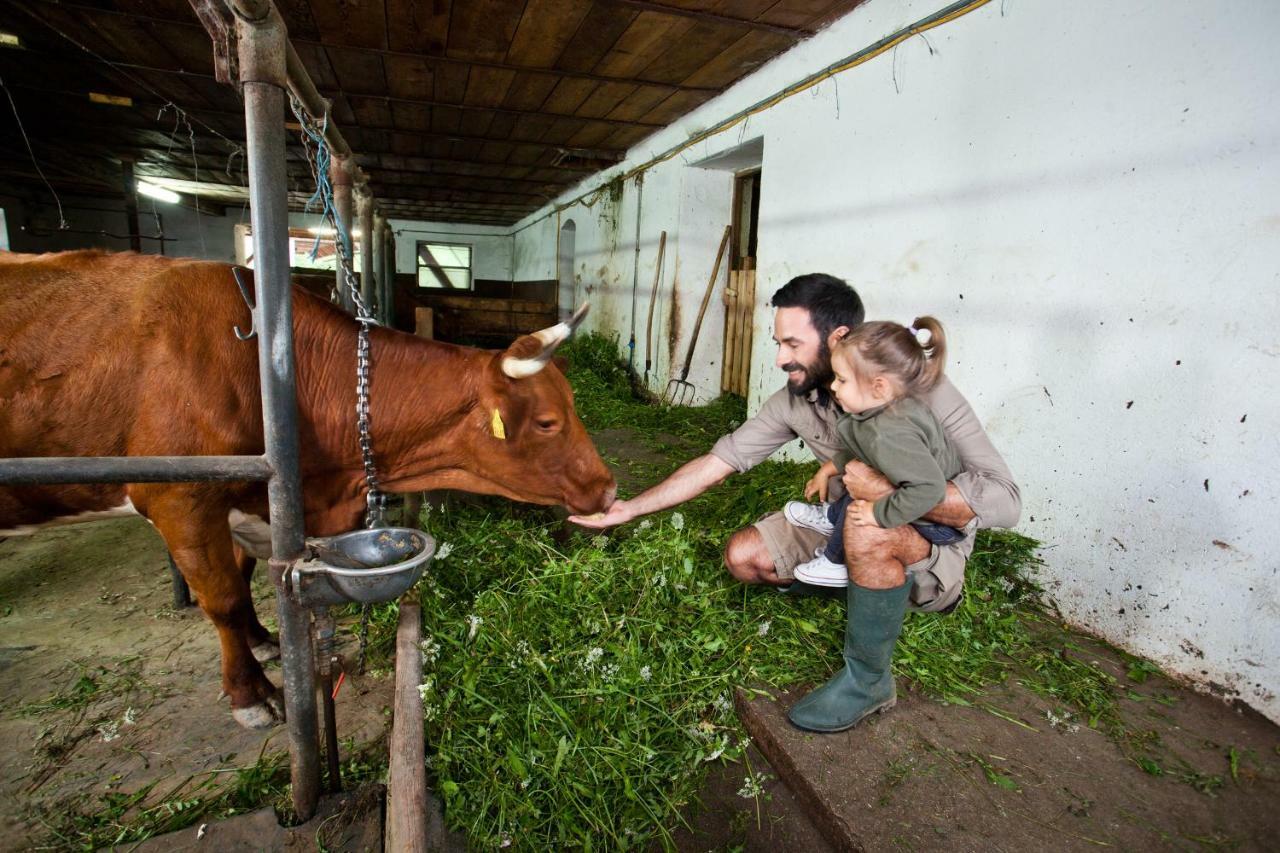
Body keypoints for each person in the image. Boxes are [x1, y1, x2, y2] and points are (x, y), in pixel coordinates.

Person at [569, 273, 1020, 732]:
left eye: (792, 344)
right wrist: (631, 508)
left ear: (837, 337)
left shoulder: (918, 389)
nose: (781, 358)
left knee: (866, 522)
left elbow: (1006, 502)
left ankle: (869, 681)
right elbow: (717, 461)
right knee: (743, 557)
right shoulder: (797, 401)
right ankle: (863, 586)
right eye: (777, 343)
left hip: (931, 544)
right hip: (843, 523)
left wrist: (881, 493)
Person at [788, 316, 967, 591]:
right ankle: (833, 518)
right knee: (865, 474)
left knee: (861, 501)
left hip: (935, 522)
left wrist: (877, 513)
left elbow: (930, 489)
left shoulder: (891, 433)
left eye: (842, 380)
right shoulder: (881, 412)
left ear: (879, 387)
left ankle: (834, 562)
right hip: (912, 495)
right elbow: (867, 451)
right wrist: (829, 468)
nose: (833, 387)